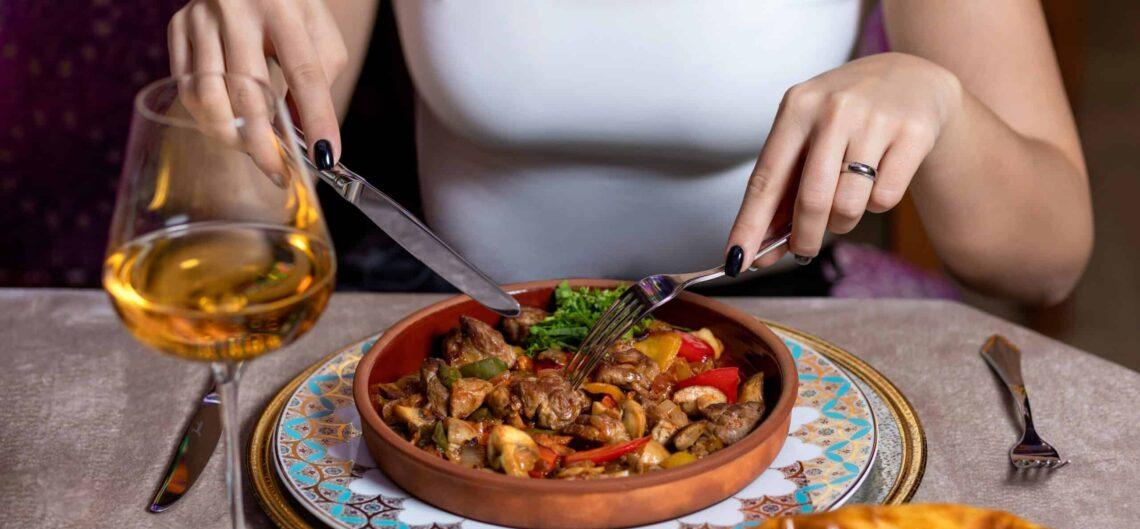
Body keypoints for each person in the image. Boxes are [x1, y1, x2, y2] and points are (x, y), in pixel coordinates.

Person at [166, 0, 1091, 304]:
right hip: (448, 331)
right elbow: (234, 241)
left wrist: (942, 102)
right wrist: (226, 83)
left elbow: (1047, 259)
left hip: (784, 346)